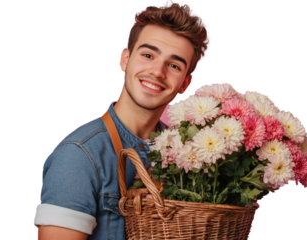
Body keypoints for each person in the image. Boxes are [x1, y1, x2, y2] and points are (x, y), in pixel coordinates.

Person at [33, 0, 213, 239]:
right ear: (124, 58)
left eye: (173, 65)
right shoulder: (79, 155)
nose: (157, 72)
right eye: (148, 55)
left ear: (185, 84)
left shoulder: (183, 156)